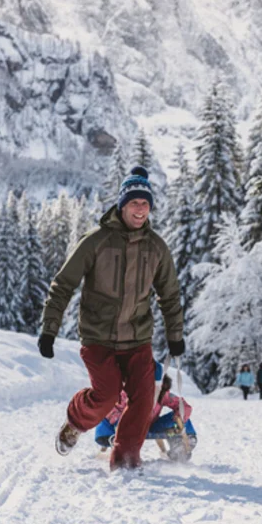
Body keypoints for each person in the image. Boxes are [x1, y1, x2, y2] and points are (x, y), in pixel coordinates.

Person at [37, 165, 186, 470]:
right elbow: (63, 284)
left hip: (137, 340)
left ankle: (126, 460)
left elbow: (169, 295)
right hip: (98, 338)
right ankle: (75, 422)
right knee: (105, 397)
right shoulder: (96, 242)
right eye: (134, 203)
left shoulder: (156, 248)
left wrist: (175, 335)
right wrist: (49, 329)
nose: (140, 210)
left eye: (145, 204)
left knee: (144, 400)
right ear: (122, 205)